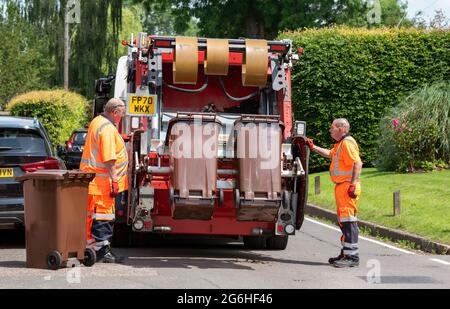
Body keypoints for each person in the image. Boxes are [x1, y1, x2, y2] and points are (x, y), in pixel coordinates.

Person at [306, 118, 363, 268]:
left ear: (342, 129)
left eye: (332, 127)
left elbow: (358, 163)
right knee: (344, 222)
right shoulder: (340, 145)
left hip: (346, 187)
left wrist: (353, 183)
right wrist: (313, 147)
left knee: (349, 222)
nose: (330, 130)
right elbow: (330, 154)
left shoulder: (347, 143)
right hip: (342, 186)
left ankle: (352, 257)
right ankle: (346, 253)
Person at [80, 98, 129, 263]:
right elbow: (109, 159)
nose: (121, 118)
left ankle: (91, 248)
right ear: (115, 112)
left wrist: (121, 138)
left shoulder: (97, 121)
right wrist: (115, 180)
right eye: (121, 114)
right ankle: (102, 251)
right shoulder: (107, 128)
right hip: (102, 183)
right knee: (103, 217)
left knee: (92, 216)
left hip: (93, 181)